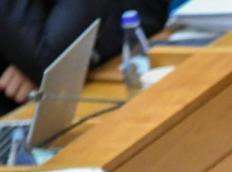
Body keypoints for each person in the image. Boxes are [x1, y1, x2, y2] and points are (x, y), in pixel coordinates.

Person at [0, 0, 169, 115]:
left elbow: (51, 61)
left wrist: (28, 62)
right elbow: (52, 63)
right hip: (24, 113)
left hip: (112, 88)